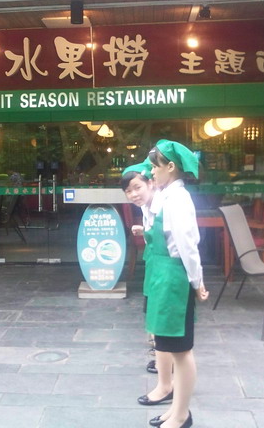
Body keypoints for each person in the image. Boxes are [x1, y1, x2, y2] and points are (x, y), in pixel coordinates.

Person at [139, 139, 209, 428]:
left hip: (174, 280)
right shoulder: (166, 195)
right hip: (162, 277)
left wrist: (197, 282)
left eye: (155, 167)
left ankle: (182, 414)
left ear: (170, 167)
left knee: (181, 351)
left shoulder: (179, 199)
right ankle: (176, 409)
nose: (151, 172)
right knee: (171, 347)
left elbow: (187, 246)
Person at [121, 160, 157, 373]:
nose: (134, 194)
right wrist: (146, 231)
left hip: (164, 265)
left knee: (158, 306)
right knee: (151, 302)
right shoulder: (147, 205)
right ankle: (157, 348)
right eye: (128, 191)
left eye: (137, 187)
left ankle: (162, 354)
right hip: (153, 260)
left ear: (150, 183)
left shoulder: (164, 204)